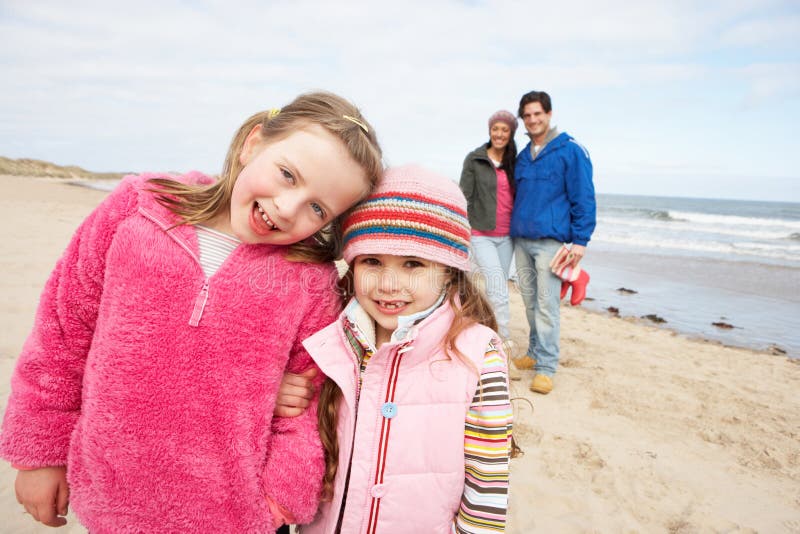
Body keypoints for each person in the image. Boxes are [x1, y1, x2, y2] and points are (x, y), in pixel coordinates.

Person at [0, 91, 383, 532]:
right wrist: (39, 455)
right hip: (109, 494)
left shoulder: (308, 279)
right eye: (287, 175)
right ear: (253, 144)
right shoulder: (137, 210)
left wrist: (280, 499)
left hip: (233, 514)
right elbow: (62, 332)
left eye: (318, 207)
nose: (287, 207)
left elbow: (313, 404)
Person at [291, 165, 513, 533]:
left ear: (448, 270)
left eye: (413, 264)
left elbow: (486, 483)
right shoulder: (331, 339)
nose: (389, 284)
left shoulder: (479, 353)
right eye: (373, 261)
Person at [511, 90, 596, 395]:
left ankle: (546, 367)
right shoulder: (523, 156)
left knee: (547, 306)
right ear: (523, 119)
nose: (533, 120)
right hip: (521, 240)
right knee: (530, 303)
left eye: (538, 114)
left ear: (548, 114)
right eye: (527, 115)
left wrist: (580, 241)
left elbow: (583, 196)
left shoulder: (570, 150)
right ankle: (534, 353)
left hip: (551, 243)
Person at [459, 110, 517, 343]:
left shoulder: (515, 162)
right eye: (495, 129)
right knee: (498, 290)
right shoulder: (475, 159)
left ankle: (484, 329)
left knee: (497, 289)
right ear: (489, 130)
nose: (499, 134)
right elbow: (465, 196)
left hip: (509, 236)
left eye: (504, 130)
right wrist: (462, 230)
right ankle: (501, 341)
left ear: (510, 133)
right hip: (481, 233)